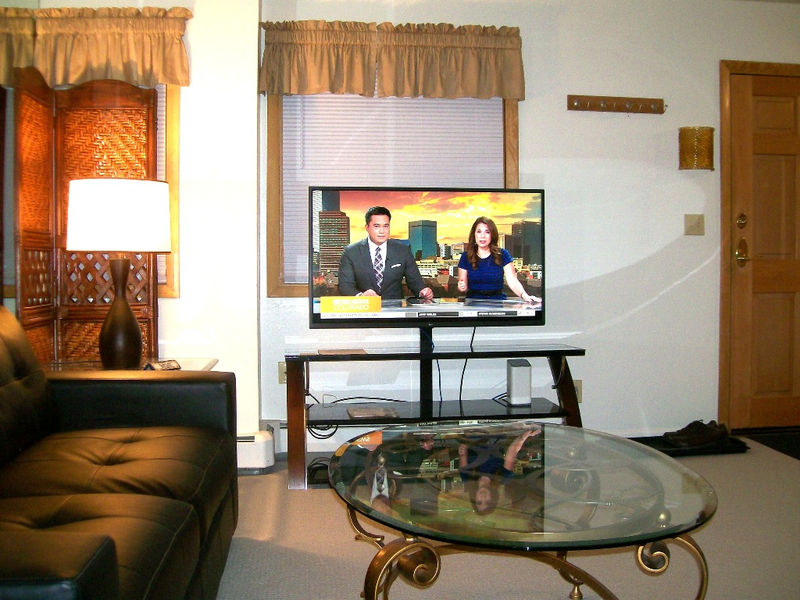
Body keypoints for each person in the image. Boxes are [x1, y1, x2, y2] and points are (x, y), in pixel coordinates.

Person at [339, 206, 434, 300]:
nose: (382, 231)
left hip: (395, 307)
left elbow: (415, 281)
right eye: (377, 226)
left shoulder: (402, 250)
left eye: (386, 226)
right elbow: (345, 285)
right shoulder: (351, 252)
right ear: (367, 227)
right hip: (365, 307)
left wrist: (423, 291)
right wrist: (361, 296)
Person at [458, 427, 541, 515]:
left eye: (479, 502)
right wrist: (523, 437)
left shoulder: (467, 479)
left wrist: (462, 449)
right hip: (497, 434)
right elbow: (511, 453)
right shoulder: (503, 478)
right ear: (493, 498)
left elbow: (463, 453)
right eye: (487, 501)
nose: (483, 497)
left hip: (472, 434)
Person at [457, 216, 540, 303]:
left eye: (487, 232)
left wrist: (525, 296)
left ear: (492, 235)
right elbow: (462, 284)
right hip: (473, 303)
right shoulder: (466, 257)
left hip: (497, 302)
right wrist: (461, 287)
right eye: (479, 232)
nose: (482, 236)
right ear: (474, 235)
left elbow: (513, 281)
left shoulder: (503, 254)